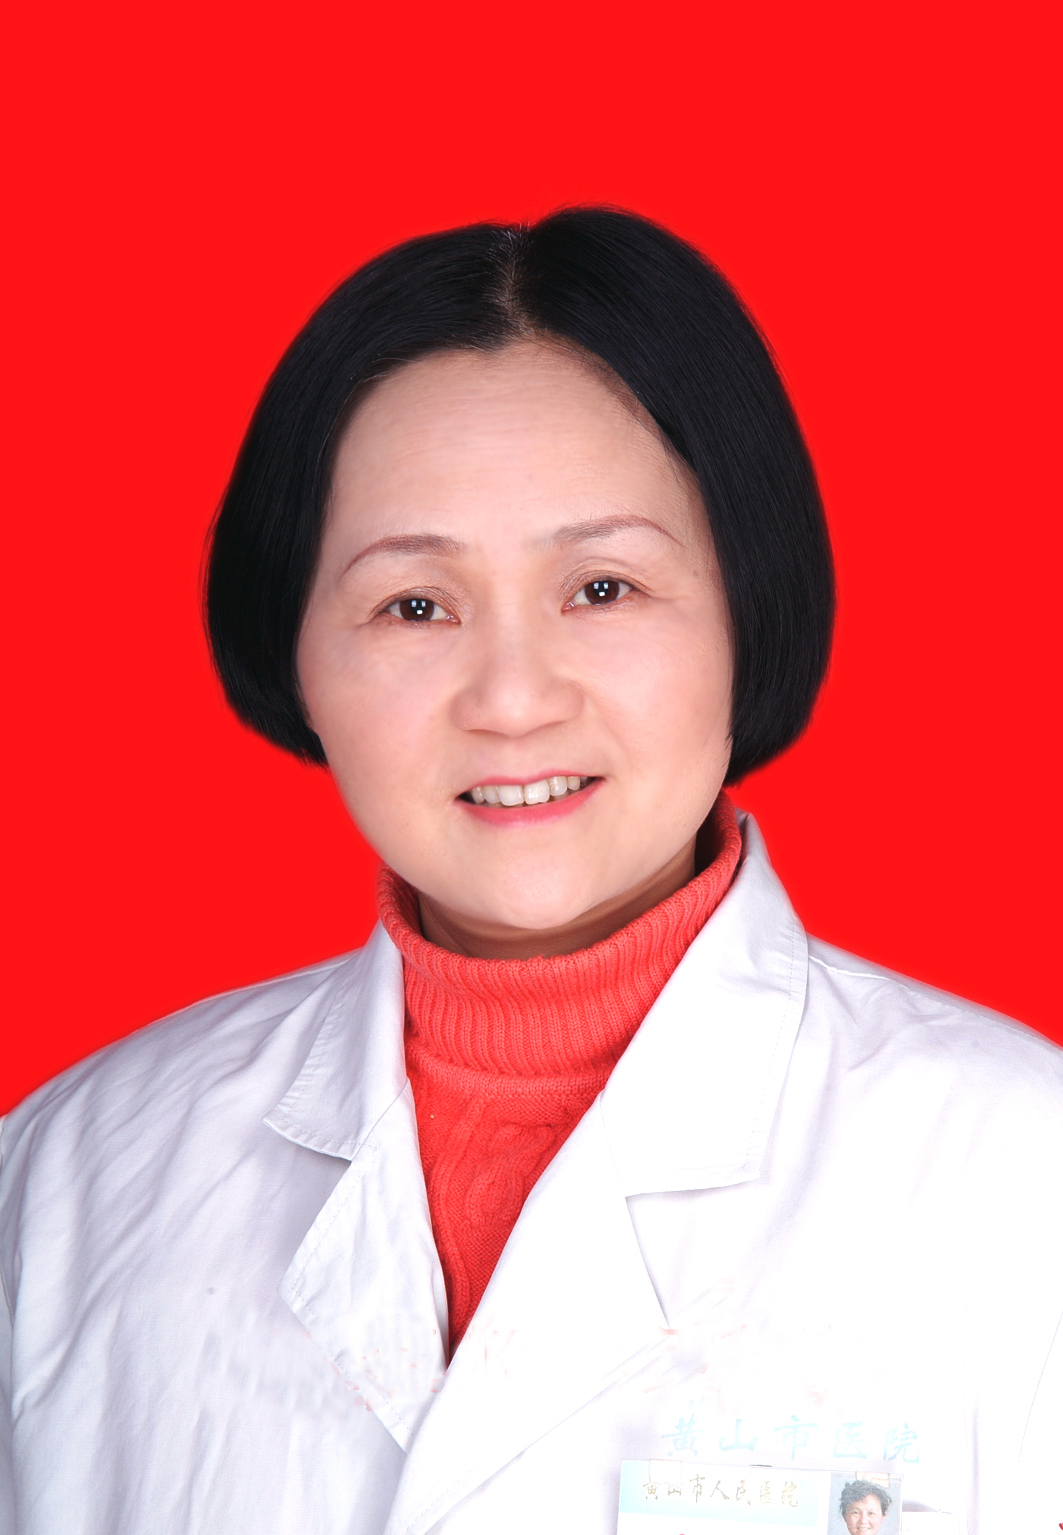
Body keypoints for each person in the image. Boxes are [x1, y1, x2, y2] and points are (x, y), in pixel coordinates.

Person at [0, 209, 1060, 1535]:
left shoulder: (1021, 1176)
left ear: (747, 611)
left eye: (602, 590)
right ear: (298, 659)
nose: (510, 699)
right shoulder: (69, 1183)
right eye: (414, 606)